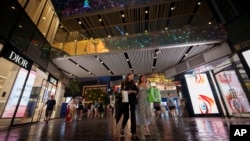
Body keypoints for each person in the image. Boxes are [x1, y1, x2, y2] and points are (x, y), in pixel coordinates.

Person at [120, 73, 139, 140]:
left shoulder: (134, 83)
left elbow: (137, 91)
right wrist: (125, 91)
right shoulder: (124, 82)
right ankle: (122, 127)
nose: (132, 77)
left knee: (133, 115)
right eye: (130, 75)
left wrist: (131, 91)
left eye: (133, 76)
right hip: (125, 99)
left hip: (132, 100)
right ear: (128, 76)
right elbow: (121, 90)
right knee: (126, 115)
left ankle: (133, 132)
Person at [136, 75, 152, 139]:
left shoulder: (148, 84)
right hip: (140, 101)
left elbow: (150, 92)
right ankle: (146, 129)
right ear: (140, 79)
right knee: (142, 114)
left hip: (148, 101)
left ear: (146, 79)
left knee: (148, 114)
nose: (143, 78)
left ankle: (146, 126)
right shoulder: (138, 85)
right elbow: (137, 93)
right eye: (142, 78)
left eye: (144, 78)